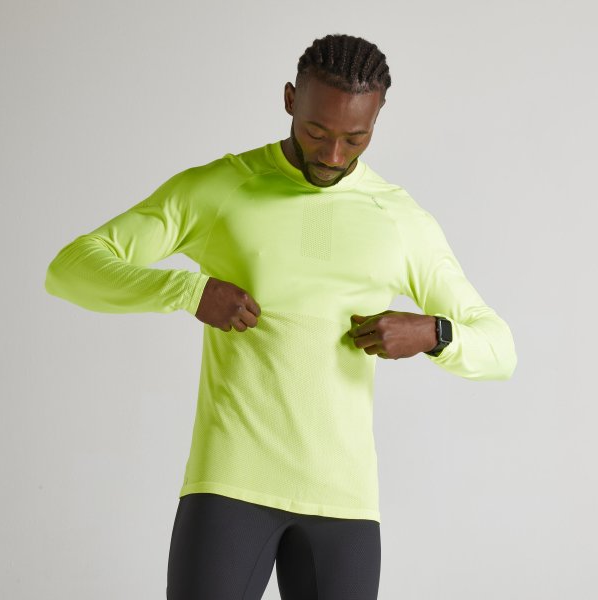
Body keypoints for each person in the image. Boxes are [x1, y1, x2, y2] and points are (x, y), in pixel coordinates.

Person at [45, 33, 517, 600]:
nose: (333, 155)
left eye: (355, 138)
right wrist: (188, 290)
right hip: (229, 488)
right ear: (291, 99)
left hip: (344, 502)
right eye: (317, 131)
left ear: (378, 118)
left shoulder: (400, 219)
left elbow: (501, 350)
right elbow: (71, 268)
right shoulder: (221, 189)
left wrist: (435, 333)